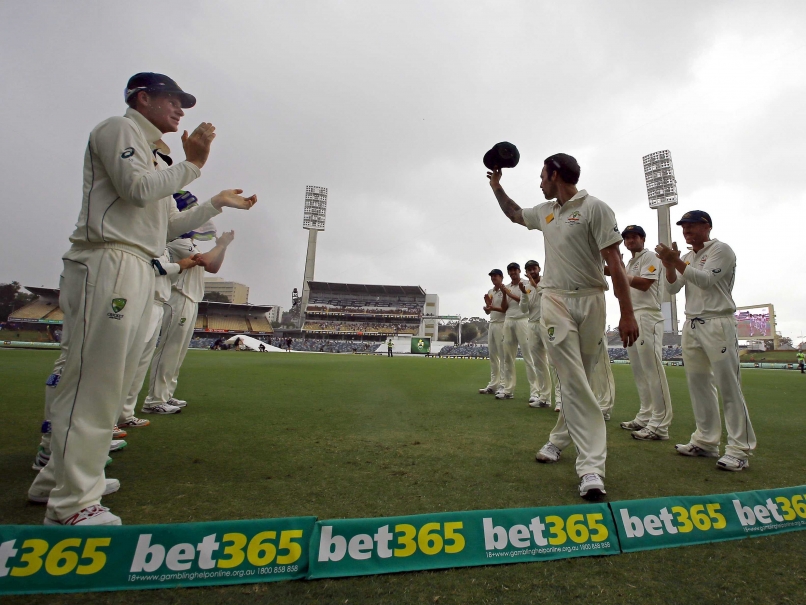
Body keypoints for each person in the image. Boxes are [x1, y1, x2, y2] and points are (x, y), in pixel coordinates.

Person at [29, 72, 258, 526]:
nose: (181, 110)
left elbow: (165, 228)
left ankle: (59, 479)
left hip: (133, 261)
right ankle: (73, 502)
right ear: (143, 97)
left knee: (100, 380)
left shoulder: (155, 158)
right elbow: (135, 190)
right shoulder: (119, 129)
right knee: (94, 381)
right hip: (108, 259)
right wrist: (192, 166)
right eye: (172, 100)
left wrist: (213, 202)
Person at [488, 152, 638, 499]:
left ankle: (557, 440)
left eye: (542, 176)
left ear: (555, 173)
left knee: (579, 381)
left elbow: (614, 263)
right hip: (555, 300)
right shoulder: (545, 212)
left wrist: (626, 313)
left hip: (592, 300)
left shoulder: (595, 208)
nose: (539, 183)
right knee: (571, 378)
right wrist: (497, 187)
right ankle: (591, 468)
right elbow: (513, 213)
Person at [656, 210, 756, 471]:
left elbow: (707, 280)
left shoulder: (721, 250)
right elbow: (671, 288)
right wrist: (669, 265)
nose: (686, 230)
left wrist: (675, 262)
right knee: (699, 384)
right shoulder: (688, 257)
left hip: (717, 322)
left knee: (728, 385)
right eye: (683, 226)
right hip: (692, 323)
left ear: (707, 226)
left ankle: (739, 449)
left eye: (691, 225)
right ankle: (706, 441)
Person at [143, 197, 236, 413]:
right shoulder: (176, 240)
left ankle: (166, 394)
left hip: (191, 298)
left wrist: (222, 247)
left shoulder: (190, 243)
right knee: (169, 348)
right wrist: (219, 245)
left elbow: (212, 268)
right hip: (178, 296)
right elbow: (204, 261)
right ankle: (155, 400)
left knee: (178, 351)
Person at [118, 247, 202, 427]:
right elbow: (152, 268)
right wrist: (179, 265)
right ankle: (110, 418)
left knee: (140, 363)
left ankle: (124, 414)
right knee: (130, 360)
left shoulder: (163, 244)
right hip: (145, 301)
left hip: (159, 301)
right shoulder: (157, 242)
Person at [616, 225, 673, 441]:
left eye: (634, 237)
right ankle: (645, 415)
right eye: (627, 238)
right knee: (640, 371)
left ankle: (660, 424)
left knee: (652, 370)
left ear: (642, 238)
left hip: (648, 315)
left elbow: (645, 284)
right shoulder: (629, 262)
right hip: (632, 315)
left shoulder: (650, 257)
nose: (630, 241)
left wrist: (619, 272)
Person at [497, 263, 539, 401]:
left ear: (520, 271)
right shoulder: (507, 287)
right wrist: (504, 294)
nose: (513, 272)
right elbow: (504, 308)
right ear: (508, 273)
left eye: (515, 270)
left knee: (529, 357)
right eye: (510, 270)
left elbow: (524, 301)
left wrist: (509, 293)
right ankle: (508, 390)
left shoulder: (526, 284)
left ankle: (535, 392)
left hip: (523, 320)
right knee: (507, 357)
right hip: (508, 320)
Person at [518, 260, 552, 407]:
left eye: (534, 269)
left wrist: (534, 283)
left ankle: (560, 400)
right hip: (531, 325)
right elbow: (524, 310)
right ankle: (544, 398)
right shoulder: (525, 287)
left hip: (547, 323)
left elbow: (546, 297)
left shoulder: (547, 281)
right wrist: (524, 294)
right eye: (529, 270)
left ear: (539, 269)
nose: (532, 272)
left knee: (556, 362)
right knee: (538, 363)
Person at [479, 270, 508, 395]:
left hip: (502, 324)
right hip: (492, 323)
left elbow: (505, 309)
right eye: (491, 276)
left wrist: (492, 307)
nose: (493, 278)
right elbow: (488, 312)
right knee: (492, 356)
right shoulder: (491, 292)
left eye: (495, 276)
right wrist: (487, 306)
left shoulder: (506, 290)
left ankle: (503, 384)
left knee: (502, 356)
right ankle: (493, 384)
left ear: (501, 277)